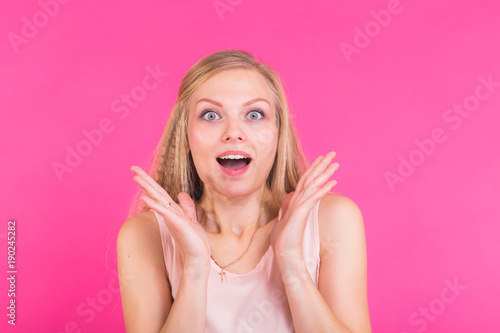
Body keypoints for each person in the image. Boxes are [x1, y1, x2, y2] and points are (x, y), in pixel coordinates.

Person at [117, 49, 371, 333]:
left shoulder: (332, 220)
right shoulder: (145, 235)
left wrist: (291, 261)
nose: (233, 132)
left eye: (254, 114)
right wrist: (195, 268)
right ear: (185, 136)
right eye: (211, 115)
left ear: (277, 133)